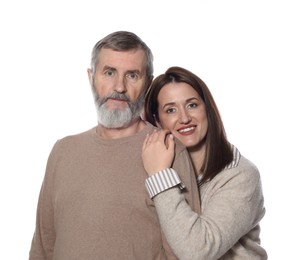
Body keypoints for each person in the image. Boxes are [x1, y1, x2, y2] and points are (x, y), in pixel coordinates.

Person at [29, 33, 200, 259]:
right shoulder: (63, 151)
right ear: (91, 77)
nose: (119, 86)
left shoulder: (167, 148)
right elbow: (43, 245)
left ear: (148, 84)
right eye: (109, 73)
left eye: (132, 75)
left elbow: (186, 250)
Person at [142, 66, 267, 259]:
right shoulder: (156, 167)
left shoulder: (241, 175)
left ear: (207, 109)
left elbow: (197, 251)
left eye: (192, 105)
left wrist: (159, 175)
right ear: (158, 121)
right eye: (171, 110)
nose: (184, 118)